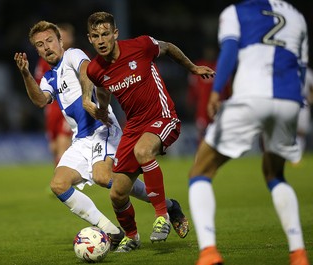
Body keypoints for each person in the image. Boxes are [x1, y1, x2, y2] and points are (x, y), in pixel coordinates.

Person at [14, 20, 186, 251]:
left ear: (60, 41)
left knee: (104, 178)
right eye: (40, 45)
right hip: (81, 139)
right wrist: (25, 74)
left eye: (50, 41)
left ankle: (165, 207)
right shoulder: (48, 78)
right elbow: (40, 100)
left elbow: (87, 73)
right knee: (58, 184)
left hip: (101, 129)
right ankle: (112, 231)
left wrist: (87, 98)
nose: (46, 47)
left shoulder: (73, 55)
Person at [187, 1, 310, 264]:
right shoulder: (296, 15)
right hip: (289, 100)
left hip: (251, 97)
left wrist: (217, 91)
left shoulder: (235, 12)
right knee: (275, 173)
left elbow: (230, 50)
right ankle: (298, 252)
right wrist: (295, 105)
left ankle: (208, 252)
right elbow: (301, 67)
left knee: (200, 171)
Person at [85, 11, 215, 252]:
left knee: (144, 151)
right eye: (95, 36)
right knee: (117, 194)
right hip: (133, 127)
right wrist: (103, 109)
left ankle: (161, 216)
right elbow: (102, 88)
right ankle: (133, 237)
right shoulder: (94, 69)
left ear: (115, 34)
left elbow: (168, 47)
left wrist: (192, 67)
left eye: (105, 34)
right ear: (90, 39)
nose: (101, 40)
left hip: (162, 116)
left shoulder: (141, 46)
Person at [33, 23, 76, 166]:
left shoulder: (77, 56)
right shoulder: (46, 59)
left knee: (63, 144)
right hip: (52, 108)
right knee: (54, 147)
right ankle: (63, 178)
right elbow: (40, 83)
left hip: (69, 106)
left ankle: (64, 182)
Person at [186, 45, 231, 143]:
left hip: (217, 107)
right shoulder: (198, 67)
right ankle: (201, 155)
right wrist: (190, 102)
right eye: (208, 51)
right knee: (202, 135)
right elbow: (192, 88)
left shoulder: (219, 67)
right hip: (202, 109)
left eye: (211, 51)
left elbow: (227, 88)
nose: (210, 54)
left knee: (219, 135)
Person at [295, 67, 313, 162]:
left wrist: (310, 99)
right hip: (290, 100)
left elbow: (311, 88)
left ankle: (298, 155)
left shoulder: (308, 72)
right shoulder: (290, 67)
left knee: (301, 131)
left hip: (303, 102)